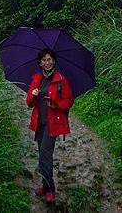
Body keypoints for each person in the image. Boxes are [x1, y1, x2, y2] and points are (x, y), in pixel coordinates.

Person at [26, 48, 74, 203]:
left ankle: (50, 190)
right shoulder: (36, 80)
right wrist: (32, 95)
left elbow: (69, 100)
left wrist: (56, 104)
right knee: (42, 155)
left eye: (49, 59)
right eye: (44, 60)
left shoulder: (61, 80)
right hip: (39, 123)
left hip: (52, 124)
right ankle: (45, 187)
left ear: (54, 61)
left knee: (45, 156)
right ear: (40, 63)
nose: (47, 62)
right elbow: (29, 103)